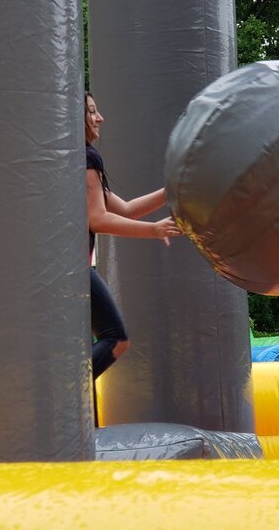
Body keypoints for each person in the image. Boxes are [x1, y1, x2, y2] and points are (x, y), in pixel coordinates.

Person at [85, 91, 180, 384]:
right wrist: (155, 230)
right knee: (116, 338)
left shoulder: (73, 158)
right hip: (76, 269)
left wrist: (173, 189)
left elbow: (126, 209)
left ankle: (70, 403)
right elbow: (97, 219)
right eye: (91, 112)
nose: (100, 118)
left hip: (67, 269)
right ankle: (65, 396)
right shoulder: (87, 156)